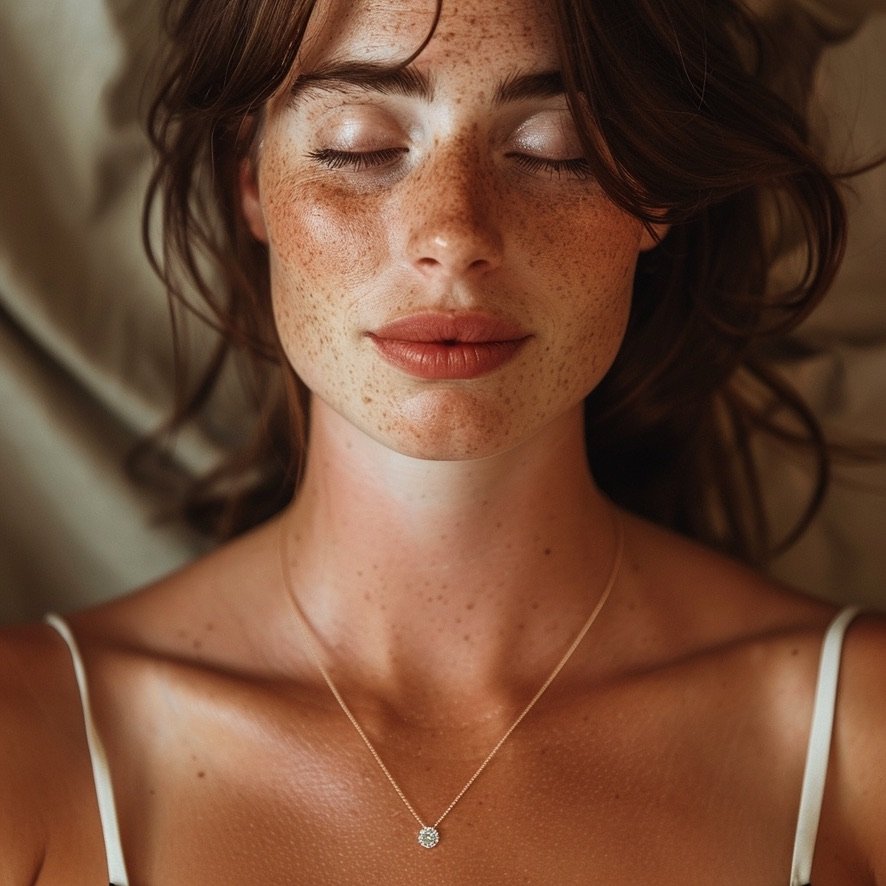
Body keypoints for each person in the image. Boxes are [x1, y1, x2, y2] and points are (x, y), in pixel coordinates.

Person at [1, 0, 884, 882]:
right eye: (359, 146)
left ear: (651, 193)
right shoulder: (28, 741)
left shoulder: (859, 736)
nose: (453, 235)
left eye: (554, 148)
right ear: (253, 181)